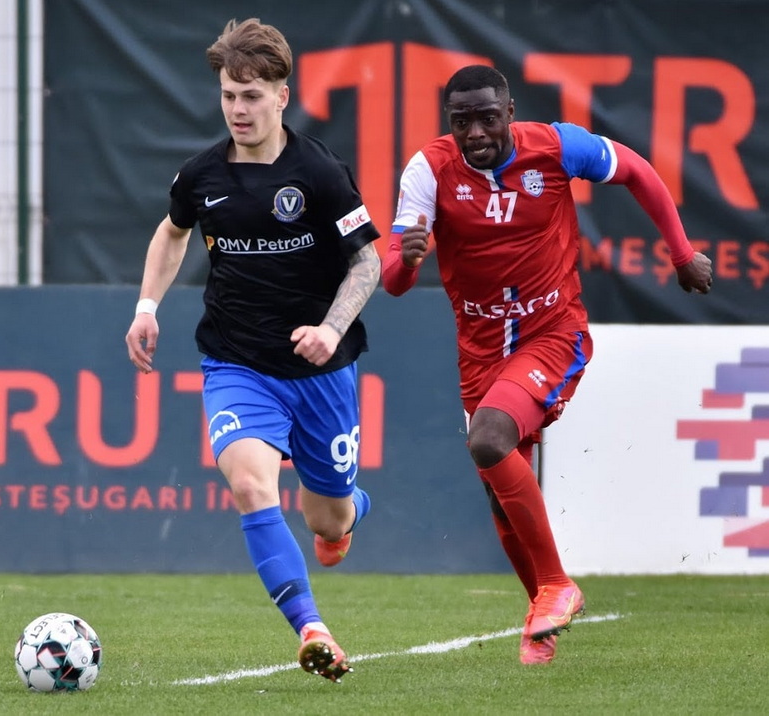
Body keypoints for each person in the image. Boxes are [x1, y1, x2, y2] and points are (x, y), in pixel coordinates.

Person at [382, 65, 712, 665]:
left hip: (552, 332)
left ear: (510, 111)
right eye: (461, 121)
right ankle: (542, 613)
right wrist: (406, 259)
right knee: (499, 494)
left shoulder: (558, 147)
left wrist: (682, 252)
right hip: (480, 350)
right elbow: (394, 281)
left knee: (488, 440)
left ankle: (557, 586)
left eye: (487, 117)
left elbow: (637, 171)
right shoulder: (428, 170)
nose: (475, 132)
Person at [125, 18, 381, 683]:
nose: (238, 109)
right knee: (247, 484)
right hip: (236, 362)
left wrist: (331, 329)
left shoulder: (320, 172)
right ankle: (312, 629)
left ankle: (350, 510)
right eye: (228, 95)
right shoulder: (201, 175)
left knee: (328, 519)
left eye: (252, 96)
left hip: (321, 369)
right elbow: (172, 231)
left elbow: (368, 263)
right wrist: (147, 307)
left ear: (281, 96)